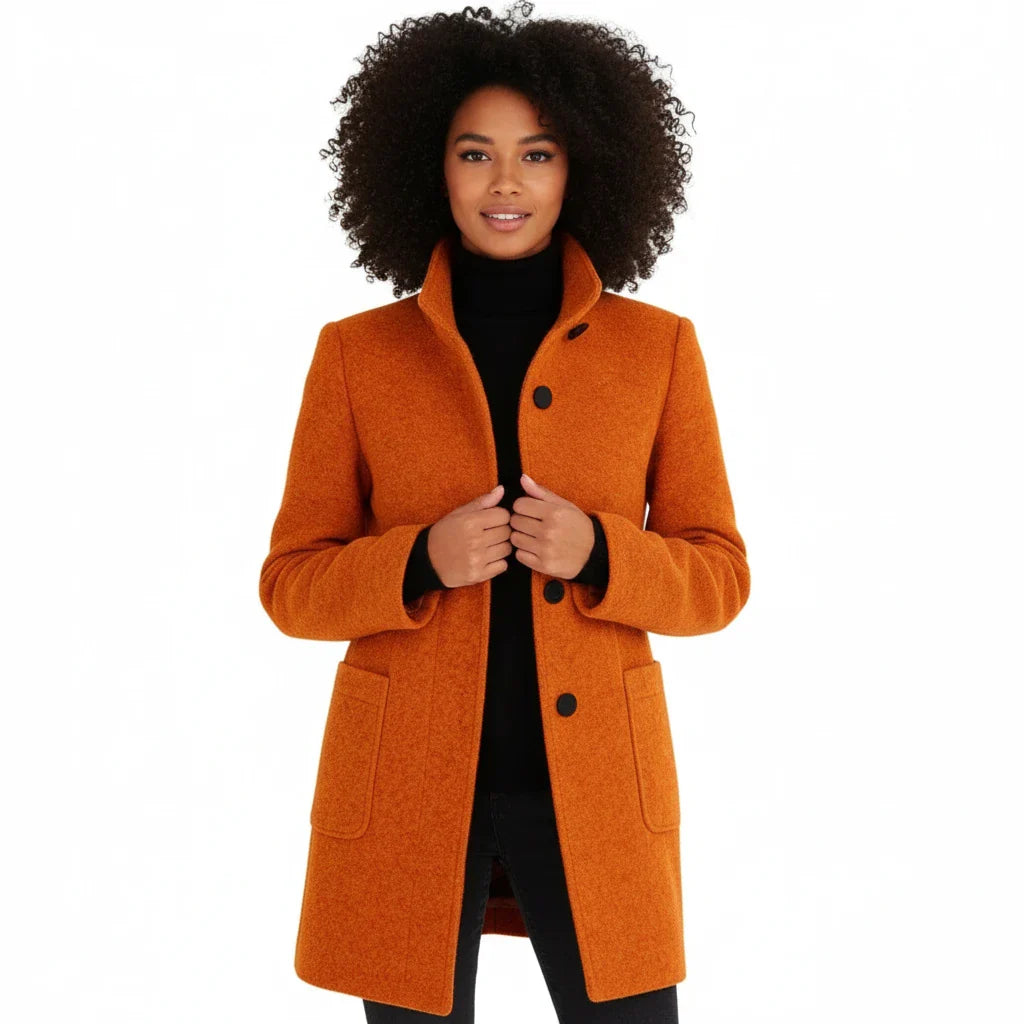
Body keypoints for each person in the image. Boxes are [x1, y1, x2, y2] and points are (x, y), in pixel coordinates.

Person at [259, 3, 750, 1021]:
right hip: (406, 794)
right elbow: (290, 586)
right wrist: (417, 562)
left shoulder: (657, 348)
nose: (506, 182)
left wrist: (603, 552)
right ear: (431, 168)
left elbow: (720, 575)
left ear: (581, 170)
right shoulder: (356, 355)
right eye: (475, 153)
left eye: (538, 153)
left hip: (595, 794)